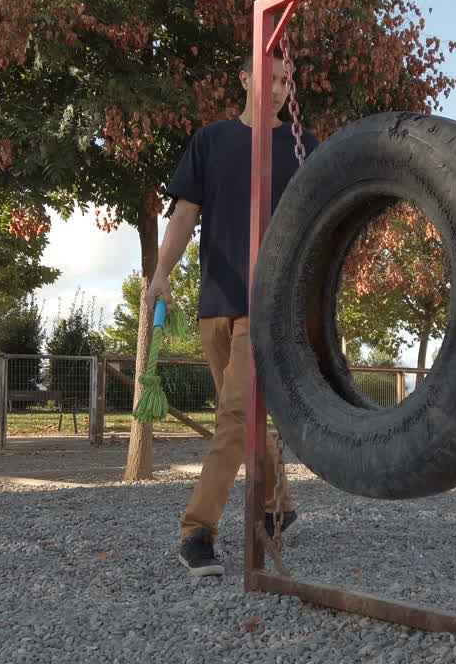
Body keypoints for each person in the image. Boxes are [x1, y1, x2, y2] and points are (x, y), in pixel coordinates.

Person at [146, 55, 320, 577]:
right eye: (270, 78)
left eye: (287, 80)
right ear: (245, 80)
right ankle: (280, 506)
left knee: (235, 415)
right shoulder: (211, 141)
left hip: (268, 305)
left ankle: (197, 531)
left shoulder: (303, 146)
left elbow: (324, 222)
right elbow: (184, 214)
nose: (280, 87)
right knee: (244, 417)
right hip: (214, 303)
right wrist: (161, 274)